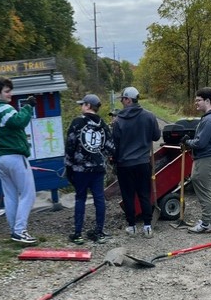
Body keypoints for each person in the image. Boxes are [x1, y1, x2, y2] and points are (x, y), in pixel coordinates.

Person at [0, 76, 38, 244]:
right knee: (28, 194)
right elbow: (19, 121)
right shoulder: (3, 109)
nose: (10, 94)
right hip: (14, 156)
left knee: (11, 196)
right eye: (7, 91)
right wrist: (28, 106)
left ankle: (14, 230)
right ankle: (20, 230)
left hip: (0, 157)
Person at [64, 94, 115, 244]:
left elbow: (70, 146)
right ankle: (99, 232)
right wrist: (101, 157)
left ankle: (78, 234)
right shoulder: (103, 124)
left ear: (87, 105)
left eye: (82, 104)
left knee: (80, 198)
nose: (81, 107)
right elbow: (111, 147)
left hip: (80, 169)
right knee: (99, 199)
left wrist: (69, 165)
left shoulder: (77, 123)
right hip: (98, 168)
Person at [112, 86, 161, 237]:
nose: (121, 103)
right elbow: (156, 137)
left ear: (128, 100)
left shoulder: (118, 120)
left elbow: (115, 144)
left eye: (123, 99)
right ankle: (147, 227)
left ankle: (132, 226)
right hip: (142, 163)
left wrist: (114, 161)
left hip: (124, 164)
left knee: (128, 195)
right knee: (144, 194)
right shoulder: (149, 116)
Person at [180, 87, 211, 233]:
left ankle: (205, 223)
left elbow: (200, 143)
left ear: (207, 100)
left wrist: (188, 142)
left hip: (206, 159)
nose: (196, 103)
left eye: (198, 100)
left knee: (205, 191)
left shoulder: (210, 120)